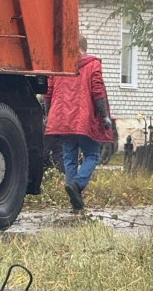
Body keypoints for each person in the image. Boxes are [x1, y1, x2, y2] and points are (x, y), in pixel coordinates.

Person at [44, 33, 114, 212]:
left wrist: (47, 115)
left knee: (69, 157)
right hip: (83, 119)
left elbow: (48, 92)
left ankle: (74, 200)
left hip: (62, 119)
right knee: (92, 155)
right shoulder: (92, 64)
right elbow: (98, 91)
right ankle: (76, 184)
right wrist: (104, 116)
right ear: (85, 48)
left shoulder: (59, 66)